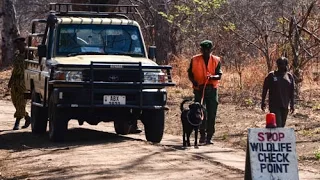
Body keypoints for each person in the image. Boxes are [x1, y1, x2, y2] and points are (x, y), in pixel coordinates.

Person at [188, 40, 223, 145]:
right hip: (199, 90)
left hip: (212, 90)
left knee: (212, 113)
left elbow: (219, 75)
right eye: (204, 50)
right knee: (200, 113)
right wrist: (194, 82)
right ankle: (202, 134)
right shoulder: (194, 59)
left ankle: (209, 136)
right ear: (201, 49)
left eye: (208, 50)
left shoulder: (216, 60)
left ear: (211, 50)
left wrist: (212, 77)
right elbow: (190, 73)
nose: (206, 52)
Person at [261, 57, 295, 127]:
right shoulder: (271, 75)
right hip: (274, 105)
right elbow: (265, 89)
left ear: (286, 65)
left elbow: (292, 91)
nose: (281, 66)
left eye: (282, 64)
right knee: (278, 124)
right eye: (279, 64)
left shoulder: (289, 76)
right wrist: (263, 101)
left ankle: (277, 137)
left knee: (282, 125)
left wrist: (292, 104)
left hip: (285, 105)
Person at [8, 36, 31, 130]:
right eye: (17, 45)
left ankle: (17, 122)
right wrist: (10, 80)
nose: (19, 46)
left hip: (24, 81)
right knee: (15, 101)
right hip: (15, 81)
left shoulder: (29, 55)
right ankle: (27, 117)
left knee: (21, 102)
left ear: (24, 44)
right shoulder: (17, 55)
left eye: (20, 44)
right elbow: (15, 69)